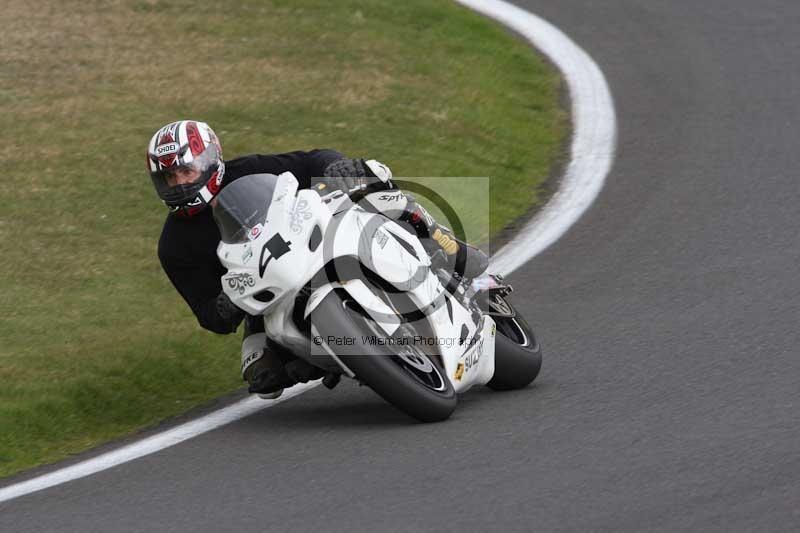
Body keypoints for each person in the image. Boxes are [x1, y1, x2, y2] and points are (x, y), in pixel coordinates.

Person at [147, 119, 488, 398]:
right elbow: (208, 315)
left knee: (375, 186)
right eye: (169, 178)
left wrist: (335, 166)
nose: (179, 184)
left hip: (314, 242)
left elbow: (310, 161)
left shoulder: (248, 171)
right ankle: (347, 358)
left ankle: (447, 245)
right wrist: (224, 305)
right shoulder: (173, 247)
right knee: (262, 373)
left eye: (186, 171)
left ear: (211, 160)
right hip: (267, 294)